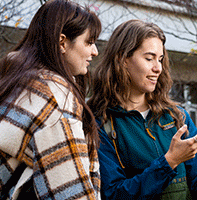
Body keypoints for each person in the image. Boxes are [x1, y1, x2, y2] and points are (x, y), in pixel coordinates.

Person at [87, 19, 197, 200]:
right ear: (122, 59)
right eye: (149, 58)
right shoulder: (100, 123)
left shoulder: (177, 117)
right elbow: (113, 195)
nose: (158, 68)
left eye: (160, 59)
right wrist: (170, 161)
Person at [0, 0, 102, 199]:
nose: (95, 51)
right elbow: (70, 189)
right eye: (88, 42)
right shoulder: (57, 96)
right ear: (62, 43)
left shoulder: (14, 79)